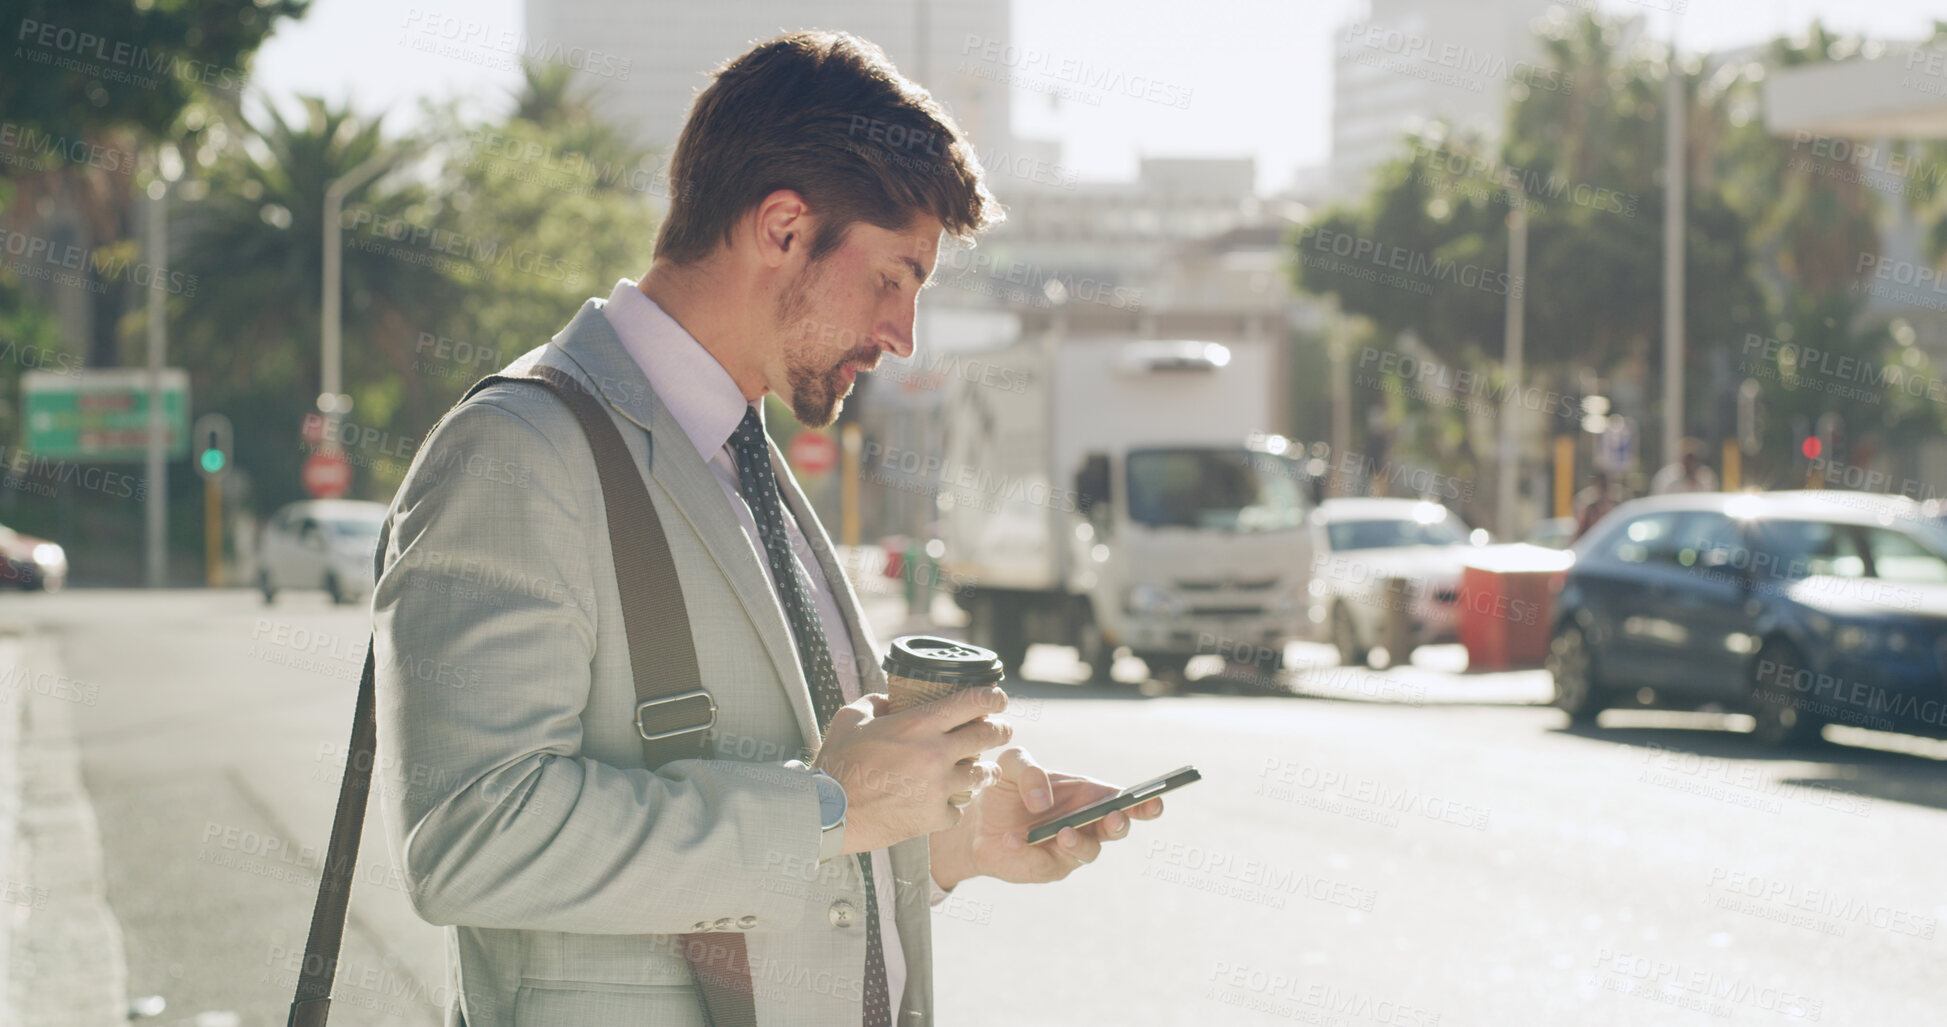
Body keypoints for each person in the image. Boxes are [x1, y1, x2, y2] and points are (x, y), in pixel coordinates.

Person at [371, 31, 1162, 1027]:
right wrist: (828, 809)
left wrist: (941, 845)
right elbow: (469, 838)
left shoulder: (748, 457)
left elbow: (801, 828)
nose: (902, 335)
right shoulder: (519, 449)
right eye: (892, 278)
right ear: (783, 228)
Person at [1650, 437, 1720, 495]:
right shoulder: (1667, 478)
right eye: (1687, 458)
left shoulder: (1706, 479)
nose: (1690, 463)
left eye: (1693, 459)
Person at [1572, 469, 1628, 540]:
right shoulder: (1591, 509)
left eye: (1604, 485)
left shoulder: (1616, 507)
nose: (1602, 488)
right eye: (1600, 485)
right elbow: (1581, 532)